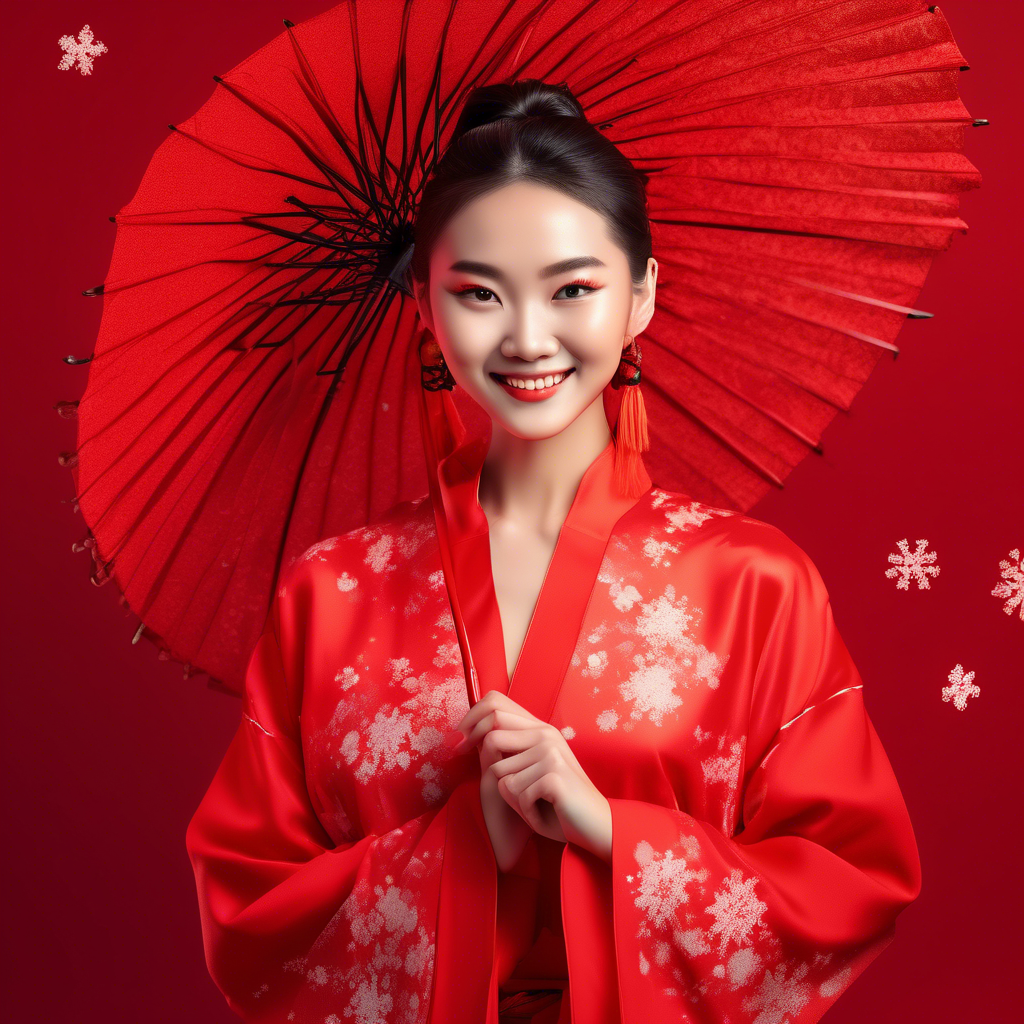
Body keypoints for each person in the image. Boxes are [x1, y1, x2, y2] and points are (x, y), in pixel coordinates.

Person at [186, 79, 921, 1024]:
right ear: (424, 303)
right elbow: (249, 911)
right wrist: (465, 846)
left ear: (643, 294)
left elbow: (851, 882)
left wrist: (613, 831)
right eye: (479, 293)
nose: (528, 338)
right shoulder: (333, 591)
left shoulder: (754, 584)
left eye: (574, 288)